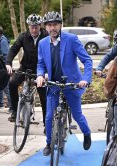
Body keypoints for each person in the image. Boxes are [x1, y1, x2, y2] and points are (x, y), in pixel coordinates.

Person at [37, 11, 92, 156]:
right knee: (49, 116)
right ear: (46, 27)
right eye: (49, 25)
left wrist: (85, 79)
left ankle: (87, 133)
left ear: (60, 25)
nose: (52, 28)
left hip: (72, 84)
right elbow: (41, 63)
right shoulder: (42, 43)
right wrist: (40, 75)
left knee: (77, 115)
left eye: (55, 24)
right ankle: (49, 143)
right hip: (53, 85)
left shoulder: (71, 39)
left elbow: (87, 60)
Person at [6, 14, 48, 129]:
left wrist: (47, 71)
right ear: (28, 26)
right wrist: (8, 63)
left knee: (43, 95)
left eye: (36, 27)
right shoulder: (23, 36)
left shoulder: (46, 36)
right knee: (12, 83)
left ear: (40, 26)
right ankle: (15, 111)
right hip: (25, 67)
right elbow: (13, 49)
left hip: (41, 69)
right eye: (31, 27)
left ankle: (46, 123)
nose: (34, 30)